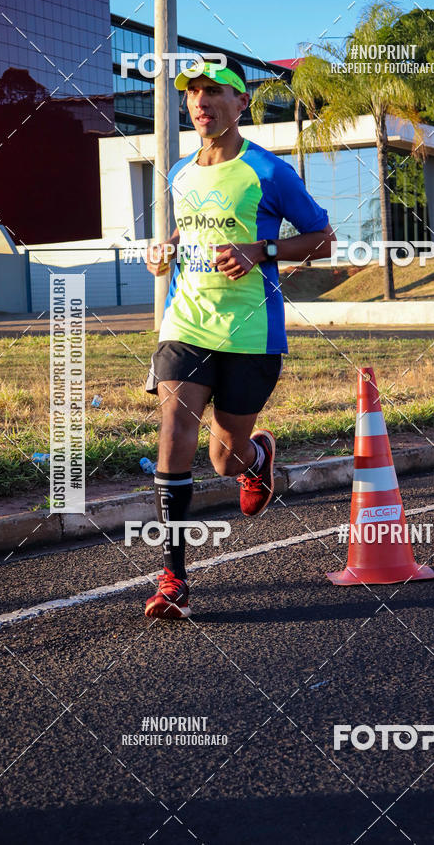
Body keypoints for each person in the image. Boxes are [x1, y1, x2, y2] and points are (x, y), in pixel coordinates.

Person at [143, 54, 335, 619]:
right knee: (175, 430)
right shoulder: (180, 173)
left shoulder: (269, 172)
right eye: (192, 92)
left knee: (224, 458)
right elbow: (188, 228)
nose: (200, 101)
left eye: (213, 90)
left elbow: (323, 239)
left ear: (240, 103)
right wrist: (167, 248)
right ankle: (173, 578)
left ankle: (257, 456)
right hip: (186, 325)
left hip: (251, 332)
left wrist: (261, 250)